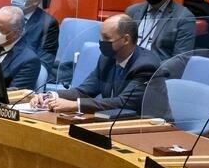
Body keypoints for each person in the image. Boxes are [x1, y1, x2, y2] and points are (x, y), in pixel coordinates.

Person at [32, 14, 161, 115]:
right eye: (101, 38)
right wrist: (50, 96)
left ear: (126, 39)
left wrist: (76, 105)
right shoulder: (107, 59)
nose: (101, 42)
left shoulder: (145, 66)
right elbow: (84, 91)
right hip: (113, 121)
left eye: (107, 38)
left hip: (148, 127)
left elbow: (123, 103)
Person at [125, 0, 196, 61]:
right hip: (128, 65)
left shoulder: (184, 18)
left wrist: (151, 69)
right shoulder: (131, 11)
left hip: (157, 68)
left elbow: (181, 60)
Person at [11, 0, 59, 79]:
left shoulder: (48, 24)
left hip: (24, 77)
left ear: (35, 2)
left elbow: (44, 63)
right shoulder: (2, 14)